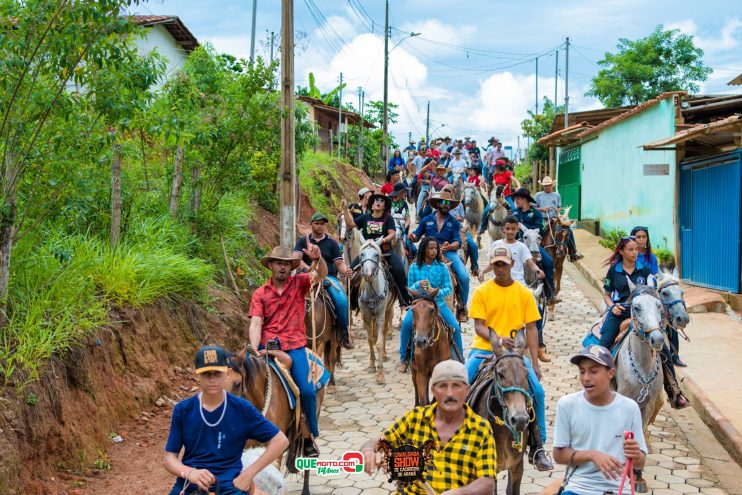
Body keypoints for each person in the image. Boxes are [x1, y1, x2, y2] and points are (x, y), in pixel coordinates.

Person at [465, 245, 552, 471]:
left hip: (515, 356)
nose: (500, 269)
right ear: (492, 265)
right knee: (461, 385)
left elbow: (532, 329)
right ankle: (458, 439)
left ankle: (538, 446)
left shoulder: (523, 293)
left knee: (538, 393)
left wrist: (534, 361)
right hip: (484, 349)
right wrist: (501, 339)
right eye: (496, 265)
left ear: (512, 263)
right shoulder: (482, 291)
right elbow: (479, 327)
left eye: (504, 264)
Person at [164, 345, 289, 495]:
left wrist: (248, 474)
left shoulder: (242, 409)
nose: (212, 379)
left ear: (228, 373)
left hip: (231, 487)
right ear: (198, 376)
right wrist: (189, 473)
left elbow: (280, 440)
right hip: (190, 485)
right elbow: (169, 458)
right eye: (206, 374)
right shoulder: (183, 410)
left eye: (217, 373)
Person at [361, 360, 497, 494]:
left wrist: (460, 493)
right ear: (433, 390)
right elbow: (377, 441)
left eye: (456, 386)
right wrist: (368, 451)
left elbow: (487, 483)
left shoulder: (481, 428)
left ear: (467, 390)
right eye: (443, 386)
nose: (450, 393)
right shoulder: (415, 418)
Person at [248, 244, 327, 456]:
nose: (282, 267)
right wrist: (254, 349)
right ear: (271, 266)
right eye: (278, 263)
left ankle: (308, 437)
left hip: (294, 347)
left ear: (291, 267)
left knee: (308, 391)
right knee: (239, 380)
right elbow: (256, 323)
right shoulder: (260, 293)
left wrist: (318, 259)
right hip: (266, 347)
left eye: (286, 264)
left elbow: (320, 275)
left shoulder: (299, 283)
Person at [553, 345, 648, 495]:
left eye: (593, 371)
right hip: (578, 488)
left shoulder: (630, 408)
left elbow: (640, 461)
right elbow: (558, 455)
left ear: (611, 373)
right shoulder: (567, 405)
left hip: (618, 489)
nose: (586, 378)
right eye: (582, 371)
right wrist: (592, 455)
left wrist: (637, 455)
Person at [630, 226, 689, 407]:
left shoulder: (649, 261)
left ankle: (673, 389)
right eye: (636, 239)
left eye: (643, 237)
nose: (639, 242)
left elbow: (654, 281)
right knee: (607, 338)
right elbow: (611, 290)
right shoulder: (619, 265)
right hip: (627, 306)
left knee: (663, 338)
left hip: (647, 303)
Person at [477, 216, 550, 362]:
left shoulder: (521, 247)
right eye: (507, 229)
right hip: (497, 283)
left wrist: (537, 271)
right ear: (503, 229)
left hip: (519, 283)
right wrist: (483, 272)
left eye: (513, 229)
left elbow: (529, 262)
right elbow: (492, 264)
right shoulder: (496, 244)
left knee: (537, 312)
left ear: (517, 229)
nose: (510, 232)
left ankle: (539, 347)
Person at [397, 237, 463, 373]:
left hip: (437, 304)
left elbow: (448, 288)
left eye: (435, 248)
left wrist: (436, 292)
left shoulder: (442, 267)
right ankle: (403, 358)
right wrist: (417, 285)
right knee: (407, 324)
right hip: (418, 304)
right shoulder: (414, 267)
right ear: (423, 250)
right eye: (430, 248)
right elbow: (409, 289)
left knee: (455, 326)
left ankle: (460, 358)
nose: (433, 251)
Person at [293, 212, 354, 350]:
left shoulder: (331, 242)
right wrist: (309, 268)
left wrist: (346, 270)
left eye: (322, 224)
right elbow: (296, 259)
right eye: (317, 223)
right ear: (311, 224)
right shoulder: (303, 241)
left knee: (342, 300)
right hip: (305, 276)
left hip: (328, 277)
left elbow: (339, 263)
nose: (320, 226)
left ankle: (343, 334)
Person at [341, 193, 413, 307]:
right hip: (367, 252)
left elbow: (392, 234)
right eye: (376, 200)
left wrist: (383, 240)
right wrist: (345, 209)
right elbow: (350, 224)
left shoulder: (388, 218)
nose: (379, 202)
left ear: (384, 205)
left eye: (382, 201)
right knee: (351, 272)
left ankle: (405, 301)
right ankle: (351, 301)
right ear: (372, 204)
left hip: (385, 251)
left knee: (399, 271)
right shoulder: (366, 217)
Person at [410, 191, 470, 321]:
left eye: (448, 203)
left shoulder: (453, 222)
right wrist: (412, 237)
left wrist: (449, 246)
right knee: (411, 270)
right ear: (438, 203)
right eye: (443, 202)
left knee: (464, 276)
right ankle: (408, 304)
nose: (446, 205)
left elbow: (457, 241)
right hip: (426, 251)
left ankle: (461, 307)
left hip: (447, 251)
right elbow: (417, 235)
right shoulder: (426, 219)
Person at [598, 236, 651, 349]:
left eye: (636, 249)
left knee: (663, 346)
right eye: (630, 250)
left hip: (642, 310)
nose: (635, 253)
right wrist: (612, 307)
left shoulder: (645, 270)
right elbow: (607, 295)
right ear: (621, 251)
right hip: (621, 311)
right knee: (603, 347)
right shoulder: (613, 270)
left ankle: (672, 361)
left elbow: (652, 293)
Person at [512, 187, 558, 305]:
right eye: (515, 199)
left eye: (517, 199)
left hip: (533, 245)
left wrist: (523, 227)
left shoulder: (536, 214)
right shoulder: (515, 213)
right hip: (517, 244)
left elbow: (541, 229)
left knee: (548, 262)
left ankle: (550, 294)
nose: (515, 201)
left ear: (525, 200)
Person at [535, 176, 582, 261]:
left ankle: (573, 253)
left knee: (568, 230)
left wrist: (558, 210)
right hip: (543, 219)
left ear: (552, 185)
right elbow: (534, 208)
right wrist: (543, 209)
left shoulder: (557, 195)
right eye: (545, 185)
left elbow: (559, 206)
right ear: (543, 186)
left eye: (549, 185)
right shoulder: (538, 195)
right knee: (540, 232)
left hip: (555, 219)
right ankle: (537, 253)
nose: (547, 187)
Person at [476, 159, 520, 237]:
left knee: (514, 210)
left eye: (495, 166)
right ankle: (483, 227)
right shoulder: (495, 174)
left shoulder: (507, 173)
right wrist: (485, 185)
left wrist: (518, 187)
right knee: (486, 211)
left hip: (506, 197)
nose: (494, 167)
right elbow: (493, 184)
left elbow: (516, 181)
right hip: (495, 197)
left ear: (499, 167)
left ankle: (517, 231)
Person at [449, 193, 480, 277]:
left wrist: (460, 218)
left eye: (450, 191)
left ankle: (474, 267)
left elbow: (463, 219)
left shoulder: (459, 204)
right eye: (446, 191)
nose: (449, 193)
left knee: (473, 245)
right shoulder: (443, 204)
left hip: (460, 228)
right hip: (447, 228)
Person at [390, 182, 416, 259]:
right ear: (400, 193)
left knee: (414, 251)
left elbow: (408, 219)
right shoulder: (388, 203)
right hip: (390, 232)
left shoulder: (404, 204)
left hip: (402, 233)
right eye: (404, 192)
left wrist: (404, 227)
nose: (406, 194)